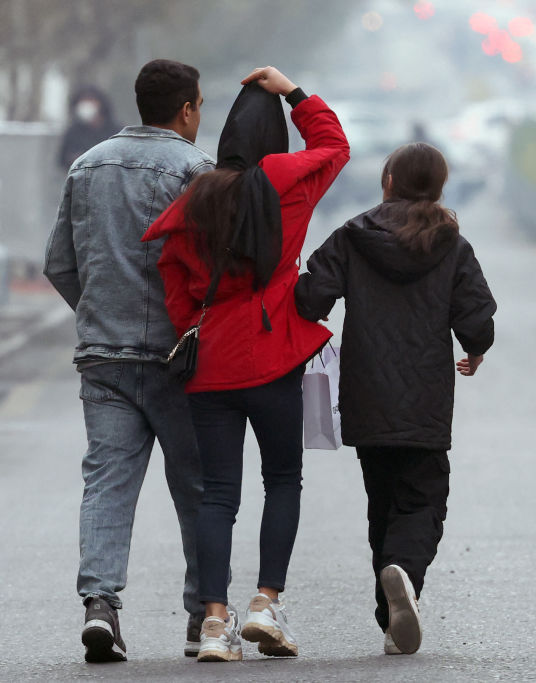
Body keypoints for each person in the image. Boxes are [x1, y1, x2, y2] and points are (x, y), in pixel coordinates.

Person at [141, 66, 349, 663]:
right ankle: (264, 603)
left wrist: (194, 331)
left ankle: (212, 623)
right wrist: (295, 94)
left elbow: (175, 283)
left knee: (218, 496)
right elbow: (335, 146)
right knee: (282, 480)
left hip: (211, 368)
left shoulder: (196, 198)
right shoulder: (286, 180)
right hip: (275, 353)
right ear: (274, 138)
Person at [294, 142, 497, 656]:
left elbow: (311, 296)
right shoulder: (452, 243)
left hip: (366, 391)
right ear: (440, 186)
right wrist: (474, 348)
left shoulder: (353, 236)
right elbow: (475, 316)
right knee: (423, 499)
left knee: (382, 501)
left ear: (388, 181)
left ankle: (391, 618)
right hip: (425, 395)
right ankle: (402, 575)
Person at [43, 59, 212, 663]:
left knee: (108, 482)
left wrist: (97, 313)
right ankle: (203, 618)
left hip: (104, 356)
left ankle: (101, 606)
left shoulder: (86, 165)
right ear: (187, 109)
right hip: (180, 356)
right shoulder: (198, 171)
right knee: (197, 487)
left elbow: (59, 262)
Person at [57, 85, 122, 170]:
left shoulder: (117, 131)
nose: (86, 105)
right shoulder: (73, 132)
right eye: (82, 101)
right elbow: (62, 160)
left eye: (90, 100)